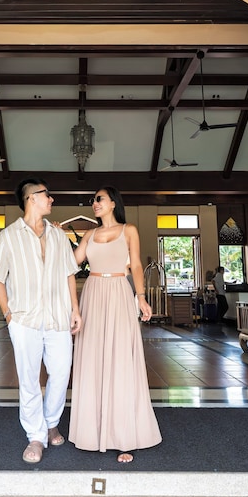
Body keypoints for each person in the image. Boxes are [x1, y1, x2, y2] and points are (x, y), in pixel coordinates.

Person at [0, 178, 82, 464]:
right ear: (31, 198)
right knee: (29, 379)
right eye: (47, 195)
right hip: (24, 319)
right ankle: (36, 436)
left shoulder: (58, 236)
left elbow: (69, 274)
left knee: (61, 372)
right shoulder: (8, 236)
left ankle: (51, 421)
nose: (51, 199)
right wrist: (9, 315)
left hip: (58, 317)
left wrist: (75, 310)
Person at [69, 186, 161, 463]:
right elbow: (70, 264)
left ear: (113, 203)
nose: (94, 203)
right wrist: (54, 237)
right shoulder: (89, 234)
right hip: (93, 293)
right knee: (93, 359)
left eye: (99, 199)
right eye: (93, 200)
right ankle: (93, 432)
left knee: (121, 361)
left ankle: (124, 437)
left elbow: (136, 265)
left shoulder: (128, 230)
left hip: (120, 292)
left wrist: (141, 297)